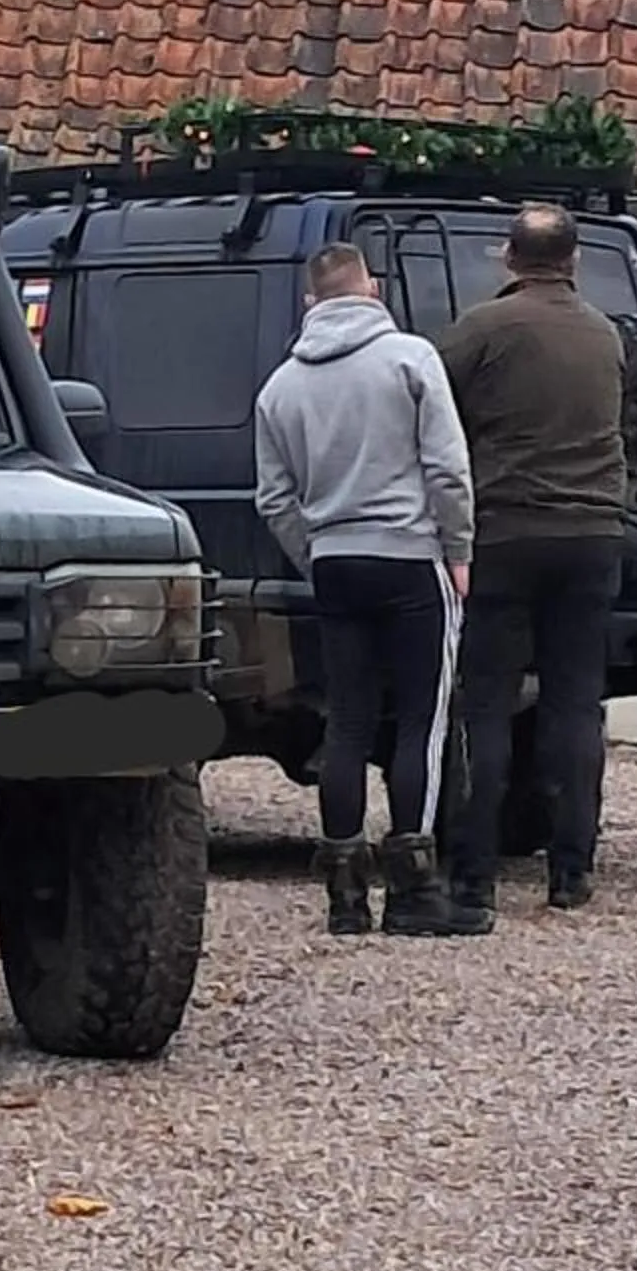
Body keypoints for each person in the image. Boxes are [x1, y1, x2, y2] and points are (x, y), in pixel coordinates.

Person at [254, 242, 479, 940]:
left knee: (346, 722)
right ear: (372, 289)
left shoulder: (279, 388)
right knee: (422, 721)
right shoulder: (410, 360)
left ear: (310, 302)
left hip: (335, 561)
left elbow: (273, 497)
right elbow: (447, 468)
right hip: (411, 559)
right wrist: (458, 549)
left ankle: (345, 894)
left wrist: (314, 552)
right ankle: (414, 891)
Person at [436, 201, 627, 918]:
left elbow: (430, 404)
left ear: (508, 260)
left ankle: (474, 876)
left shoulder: (483, 329)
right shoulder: (607, 335)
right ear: (573, 261)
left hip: (507, 531)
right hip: (594, 535)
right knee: (576, 706)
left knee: (485, 706)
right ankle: (572, 872)